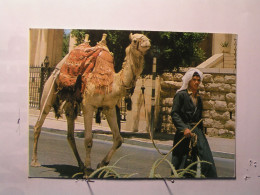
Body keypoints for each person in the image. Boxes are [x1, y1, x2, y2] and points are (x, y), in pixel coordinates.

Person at [171, 68, 217, 178]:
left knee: (206, 158)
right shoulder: (181, 95)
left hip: (197, 132)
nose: (196, 82)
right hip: (184, 132)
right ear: (188, 81)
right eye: (194, 80)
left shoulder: (199, 98)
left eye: (198, 80)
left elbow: (199, 117)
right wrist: (183, 129)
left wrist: (201, 134)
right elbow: (174, 114)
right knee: (182, 160)